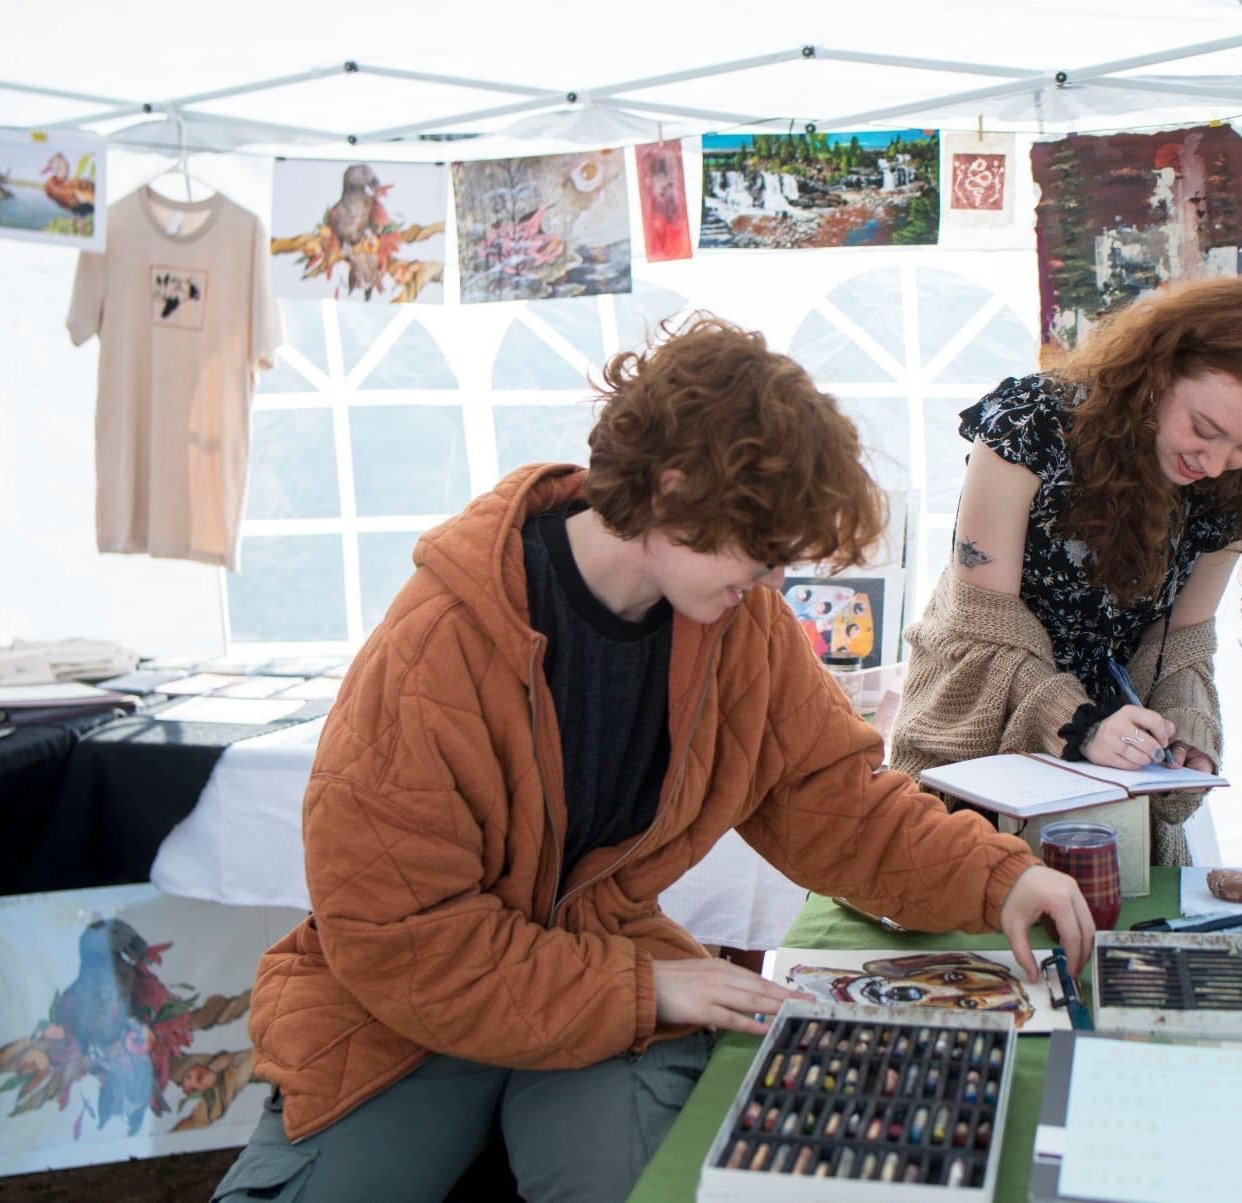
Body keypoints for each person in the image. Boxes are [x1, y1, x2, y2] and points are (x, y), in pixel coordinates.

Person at [214, 315, 1093, 1203]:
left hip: (606, 991)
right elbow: (399, 937)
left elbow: (833, 801)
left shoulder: (738, 621)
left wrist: (998, 878)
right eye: (762, 553)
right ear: (673, 490)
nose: (774, 583)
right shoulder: (435, 647)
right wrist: (646, 986)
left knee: (645, 1185)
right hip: (411, 1012)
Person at [890, 276, 1242, 868]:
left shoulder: (1238, 486)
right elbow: (983, 625)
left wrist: (1185, 726)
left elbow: (1178, 640)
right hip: (977, 742)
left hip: (1115, 778)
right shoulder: (1030, 426)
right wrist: (1080, 723)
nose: (1214, 463)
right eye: (1203, 429)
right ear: (1158, 372)